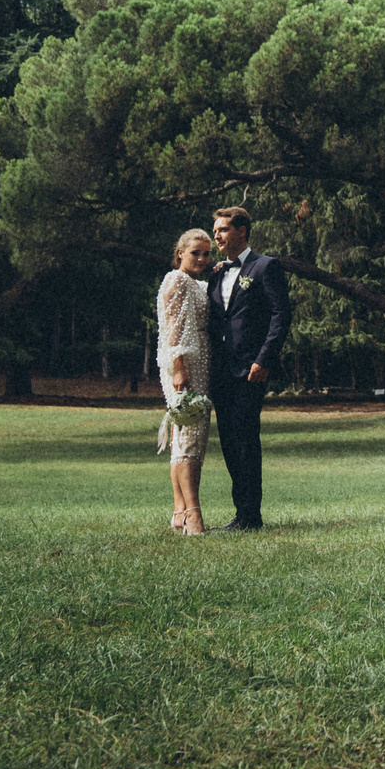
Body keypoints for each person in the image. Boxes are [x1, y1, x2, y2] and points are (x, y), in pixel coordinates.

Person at [207, 206, 291, 532]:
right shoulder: (216, 273)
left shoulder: (265, 267)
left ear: (241, 230)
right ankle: (240, 513)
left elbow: (280, 316)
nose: (217, 235)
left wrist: (264, 359)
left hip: (250, 369)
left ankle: (251, 516)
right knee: (228, 441)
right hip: (220, 372)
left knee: (245, 439)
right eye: (215, 231)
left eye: (223, 229)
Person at [155, 229, 214, 536]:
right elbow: (174, 329)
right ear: (180, 254)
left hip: (199, 362)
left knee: (186, 440)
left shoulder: (194, 282)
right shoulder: (177, 280)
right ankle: (193, 515)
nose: (203, 258)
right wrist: (179, 368)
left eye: (207, 253)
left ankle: (180, 511)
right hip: (186, 365)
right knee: (190, 438)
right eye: (196, 253)